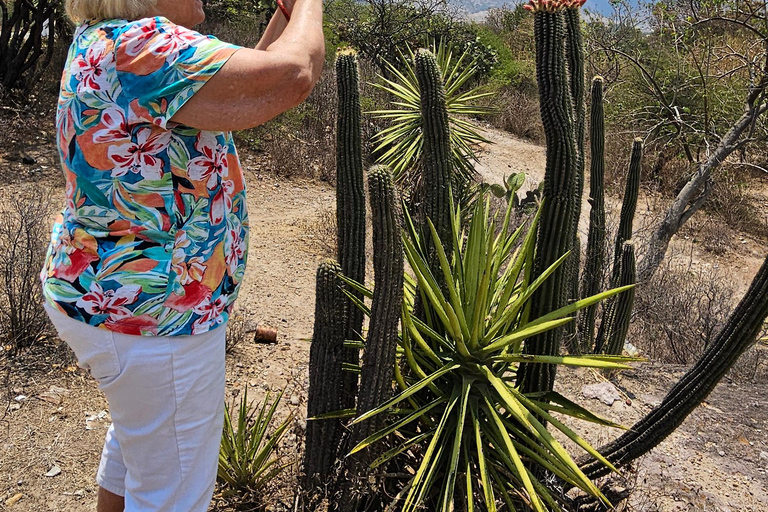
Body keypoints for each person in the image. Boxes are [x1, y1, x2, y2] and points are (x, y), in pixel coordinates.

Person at [39, 0, 324, 510]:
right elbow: (293, 75)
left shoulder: (110, 41)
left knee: (139, 445)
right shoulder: (144, 46)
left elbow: (236, 93)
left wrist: (284, 13)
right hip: (157, 317)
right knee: (173, 495)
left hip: (110, 300)